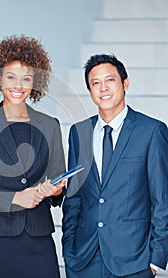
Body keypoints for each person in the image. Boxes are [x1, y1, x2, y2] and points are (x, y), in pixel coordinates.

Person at [0, 35, 66, 278]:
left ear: (35, 82)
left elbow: (58, 181)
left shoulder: (50, 125)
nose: (18, 85)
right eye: (11, 77)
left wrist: (56, 189)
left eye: (26, 78)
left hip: (38, 238)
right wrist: (16, 198)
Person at [62, 54, 168, 278]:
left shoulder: (151, 131)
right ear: (90, 91)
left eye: (110, 80)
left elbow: (162, 199)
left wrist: (156, 258)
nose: (103, 88)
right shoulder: (79, 133)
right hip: (84, 258)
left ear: (125, 83)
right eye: (95, 83)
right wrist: (69, 248)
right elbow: (74, 197)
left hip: (135, 260)